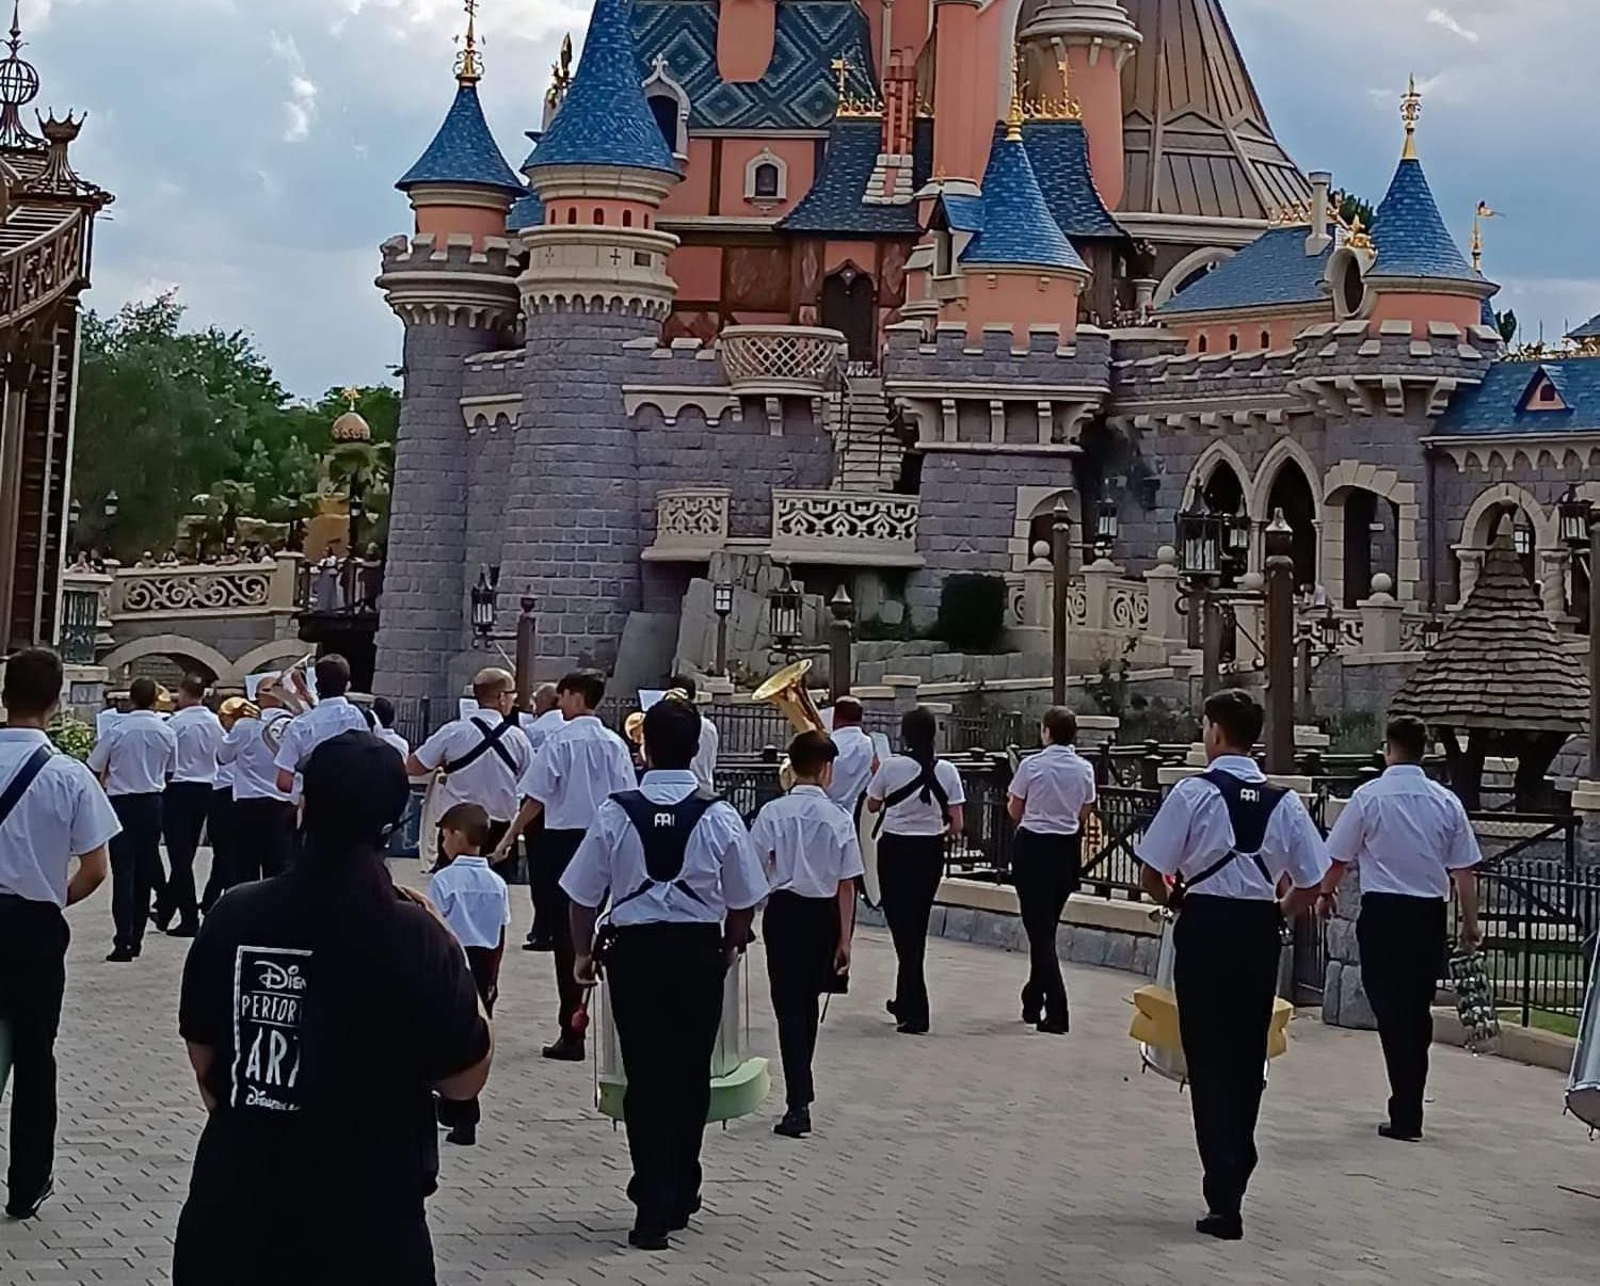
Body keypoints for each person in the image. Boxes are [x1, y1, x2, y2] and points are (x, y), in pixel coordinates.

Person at [172, 732, 492, 1285]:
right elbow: (463, 1081)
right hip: (369, 1217)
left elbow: (205, 1061)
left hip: (236, 1204)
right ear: (392, 825)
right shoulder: (416, 934)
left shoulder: (234, 913)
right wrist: (455, 954)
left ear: (303, 806)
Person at [563, 697, 766, 1250]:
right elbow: (745, 896)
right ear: (698, 746)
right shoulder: (719, 813)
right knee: (690, 1071)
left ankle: (650, 1196)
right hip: (698, 952)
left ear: (644, 746)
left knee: (645, 1073)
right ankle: (682, 1183)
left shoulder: (614, 812)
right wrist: (728, 943)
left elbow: (581, 895)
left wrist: (583, 954)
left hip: (636, 953)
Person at [1135, 689, 1327, 1241]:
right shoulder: (1284, 802)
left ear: (1216, 731)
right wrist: (1279, 911)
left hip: (1205, 926)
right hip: (1257, 931)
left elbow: (1152, 871)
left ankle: (1223, 1182)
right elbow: (1311, 882)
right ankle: (1238, 1154)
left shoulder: (1192, 793)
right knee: (1247, 1049)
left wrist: (1177, 900)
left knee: (1206, 1048)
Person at [1320, 715, 1483, 1142]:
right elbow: (1464, 869)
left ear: (1389, 748)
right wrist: (1471, 923)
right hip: (1428, 914)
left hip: (1384, 913)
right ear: (1424, 751)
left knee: (1389, 1006)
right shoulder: (1445, 801)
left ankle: (1405, 1105)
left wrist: (1324, 894)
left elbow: (1337, 857)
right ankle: (1409, 1100)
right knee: (1415, 1007)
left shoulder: (1368, 797)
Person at [0, 648, 119, 1219]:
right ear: (55, 701)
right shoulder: (67, 775)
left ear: (4, 695)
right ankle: (26, 1183)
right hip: (33, 928)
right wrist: (51, 899)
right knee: (34, 1054)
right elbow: (95, 870)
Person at [496, 669, 634, 1059]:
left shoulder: (559, 741)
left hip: (563, 841)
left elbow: (535, 797)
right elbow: (626, 797)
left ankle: (571, 1027)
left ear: (574, 696)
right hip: (605, 836)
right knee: (607, 927)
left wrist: (509, 838)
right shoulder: (615, 743)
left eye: (563, 696)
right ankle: (607, 1024)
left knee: (567, 935)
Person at [749, 730, 862, 1139]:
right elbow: (848, 883)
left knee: (788, 1005)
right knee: (809, 1002)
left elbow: (753, 867)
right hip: (823, 914)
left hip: (783, 912)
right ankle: (801, 1091)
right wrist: (845, 938)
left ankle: (799, 1097)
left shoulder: (772, 814)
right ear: (827, 769)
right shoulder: (839, 817)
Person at [865, 706, 965, 1035]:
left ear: (905, 734)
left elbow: (872, 805)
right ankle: (904, 1000)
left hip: (895, 849)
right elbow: (957, 824)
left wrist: (878, 774)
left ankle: (916, 1009)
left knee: (899, 925)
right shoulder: (948, 771)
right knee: (916, 924)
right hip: (930, 851)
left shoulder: (892, 766)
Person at [1006, 707, 1096, 1035]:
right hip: (1064, 848)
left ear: (1046, 732)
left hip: (1033, 846)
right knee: (1046, 926)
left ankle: (1057, 1007)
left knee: (1038, 929)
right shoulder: (1084, 768)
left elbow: (1015, 806)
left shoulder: (1032, 765)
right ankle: (1033, 996)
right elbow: (1086, 808)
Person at [428, 802, 510, 1148]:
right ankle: (458, 1108)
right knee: (474, 1037)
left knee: (446, 1036)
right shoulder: (496, 882)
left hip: (452, 962)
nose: (442, 843)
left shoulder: (444, 880)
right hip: (485, 963)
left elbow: (434, 926)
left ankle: (460, 1109)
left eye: (444, 835)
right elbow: (502, 931)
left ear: (456, 836)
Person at [407, 668, 533, 871]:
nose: (514, 700)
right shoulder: (519, 740)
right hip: (498, 830)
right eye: (512, 694)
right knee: (496, 891)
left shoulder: (453, 732)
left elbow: (414, 766)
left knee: (449, 887)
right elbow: (531, 784)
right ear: (501, 697)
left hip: (457, 829)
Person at [88, 677, 177, 962]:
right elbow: (171, 771)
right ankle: (137, 936)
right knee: (144, 869)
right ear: (154, 700)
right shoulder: (166, 731)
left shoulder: (117, 730)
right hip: (152, 802)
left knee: (123, 872)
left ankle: (122, 939)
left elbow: (95, 765)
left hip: (121, 802)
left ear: (131, 699)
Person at [159, 675, 223, 937]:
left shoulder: (176, 723)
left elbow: (167, 759)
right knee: (188, 852)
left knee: (179, 856)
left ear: (183, 693)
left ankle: (187, 916)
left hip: (180, 788)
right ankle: (165, 908)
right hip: (207, 787)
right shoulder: (215, 722)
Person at [218, 681, 297, 885]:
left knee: (245, 870)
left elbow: (222, 757)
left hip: (249, 805)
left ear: (259, 696)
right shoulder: (296, 725)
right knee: (278, 872)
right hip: (284, 805)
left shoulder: (245, 725)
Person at [273, 654, 368, 793]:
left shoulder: (300, 725)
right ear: (348, 685)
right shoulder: (358, 717)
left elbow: (284, 782)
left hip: (314, 802)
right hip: (351, 799)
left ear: (317, 685)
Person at [518, 682, 564, 950]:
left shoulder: (535, 730)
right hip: (569, 813)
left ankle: (543, 928)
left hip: (541, 808)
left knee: (541, 872)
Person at [824, 696, 876, 817]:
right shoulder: (870, 744)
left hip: (822, 810)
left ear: (835, 717)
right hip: (850, 812)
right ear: (861, 718)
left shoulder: (828, 743)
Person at [670, 673, 719, 793]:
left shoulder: (671, 724)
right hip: (704, 787)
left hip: (679, 789)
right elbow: (712, 763)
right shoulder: (709, 727)